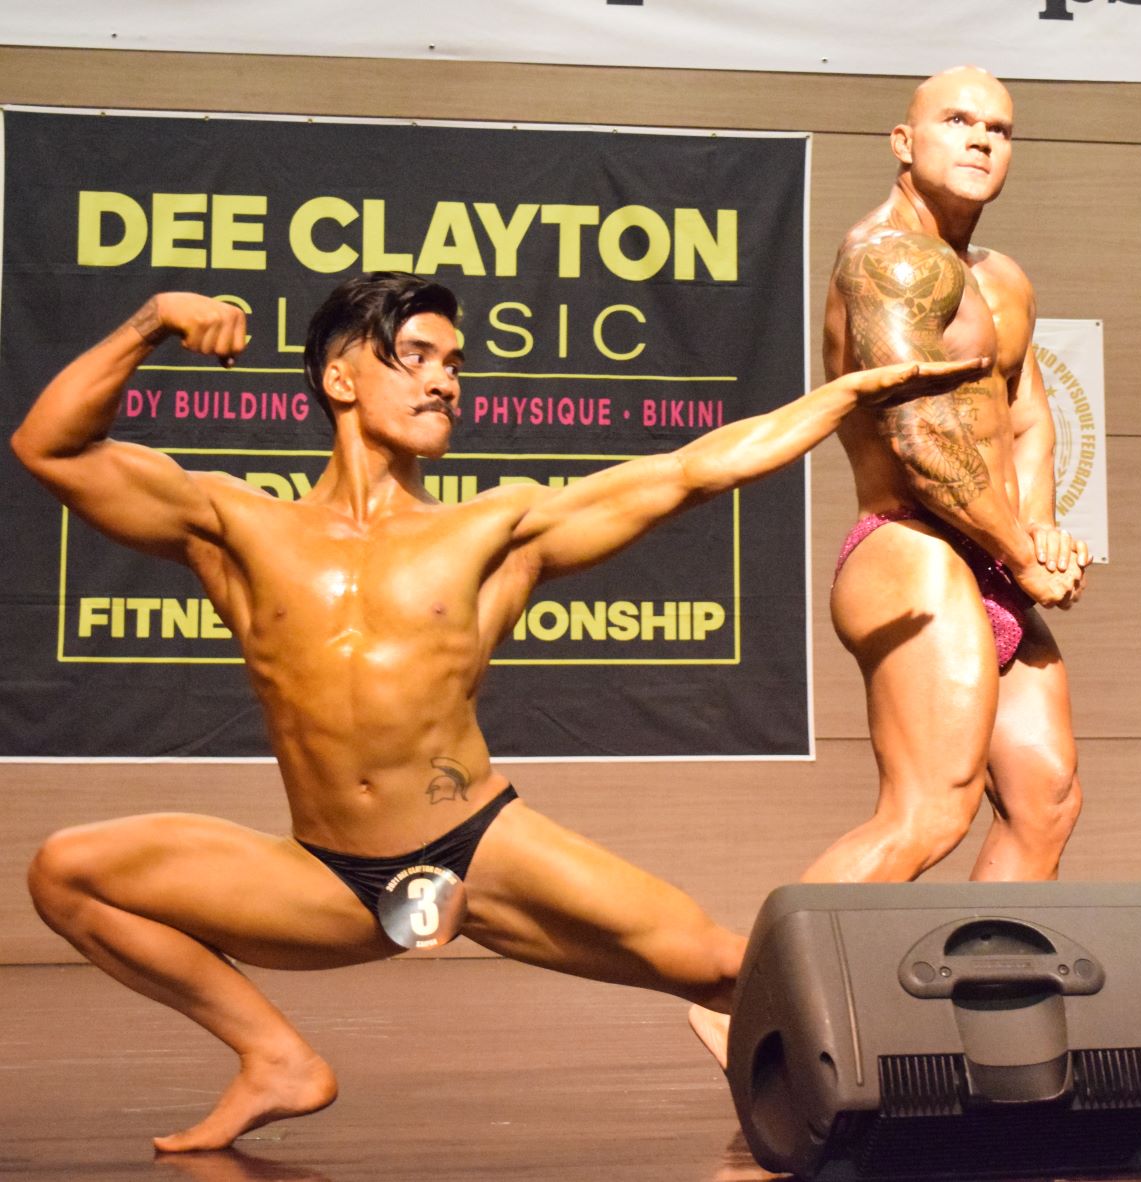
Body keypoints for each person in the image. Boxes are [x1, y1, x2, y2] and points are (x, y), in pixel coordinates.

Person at [12, 276, 987, 1151]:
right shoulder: (236, 525)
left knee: (730, 972)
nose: (445, 381)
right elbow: (47, 444)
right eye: (418, 357)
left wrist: (843, 397)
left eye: (456, 364)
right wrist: (149, 323)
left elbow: (694, 470)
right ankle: (276, 1060)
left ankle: (953, 1108)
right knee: (69, 873)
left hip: (472, 852)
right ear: (341, 379)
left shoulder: (493, 529)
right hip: (332, 884)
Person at [804, 66, 1089, 888]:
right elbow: (920, 435)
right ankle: (736, 1007)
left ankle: (982, 996)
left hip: (991, 553)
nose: (979, 139)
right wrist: (1023, 551)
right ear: (904, 142)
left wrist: (1037, 528)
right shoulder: (885, 261)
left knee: (1045, 798)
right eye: (958, 120)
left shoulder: (1003, 279)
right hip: (914, 545)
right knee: (927, 812)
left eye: (998, 130)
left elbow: (1028, 415)